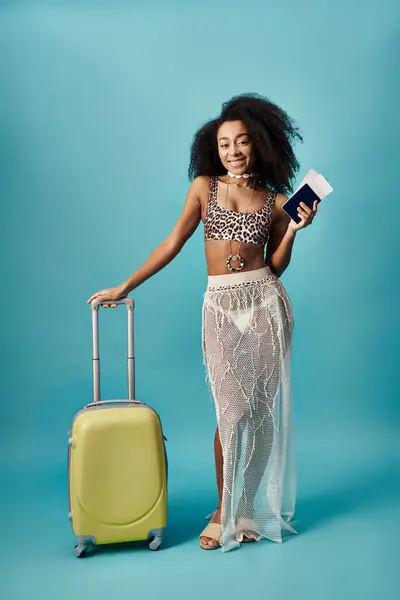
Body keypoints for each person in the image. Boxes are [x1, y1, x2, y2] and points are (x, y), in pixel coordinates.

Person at [87, 93, 318, 552]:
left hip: (266, 303)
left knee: (260, 413)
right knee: (229, 412)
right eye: (225, 143)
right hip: (221, 307)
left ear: (260, 145)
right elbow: (173, 242)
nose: (233, 150)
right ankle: (222, 508)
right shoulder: (204, 187)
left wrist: (292, 229)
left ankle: (248, 507)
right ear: (213, 149)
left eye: (242, 142)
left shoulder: (277, 200)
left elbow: (275, 267)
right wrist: (126, 286)